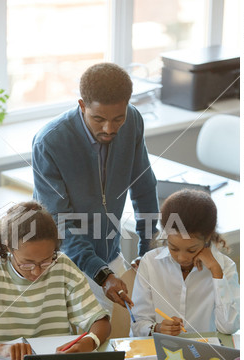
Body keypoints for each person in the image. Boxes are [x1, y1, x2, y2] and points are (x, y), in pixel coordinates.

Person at [32, 62, 158, 314]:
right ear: (82, 105)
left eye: (117, 119)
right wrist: (102, 274)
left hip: (110, 256)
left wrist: (146, 250)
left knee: (106, 344)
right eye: (98, 119)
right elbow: (60, 222)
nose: (109, 129)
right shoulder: (50, 142)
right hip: (63, 264)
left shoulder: (133, 120)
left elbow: (144, 187)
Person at [0, 202, 111, 360]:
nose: (37, 272)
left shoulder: (62, 267)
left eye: (45, 261)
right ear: (8, 247)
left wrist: (90, 341)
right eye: (27, 263)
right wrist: (1, 349)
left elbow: (100, 322)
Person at [131, 189, 240, 336]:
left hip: (205, 354)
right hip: (157, 352)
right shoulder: (150, 263)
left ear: (207, 237)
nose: (181, 258)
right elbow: (137, 323)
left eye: (191, 250)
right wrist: (157, 328)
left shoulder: (225, 267)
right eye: (174, 248)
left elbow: (229, 327)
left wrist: (216, 271)